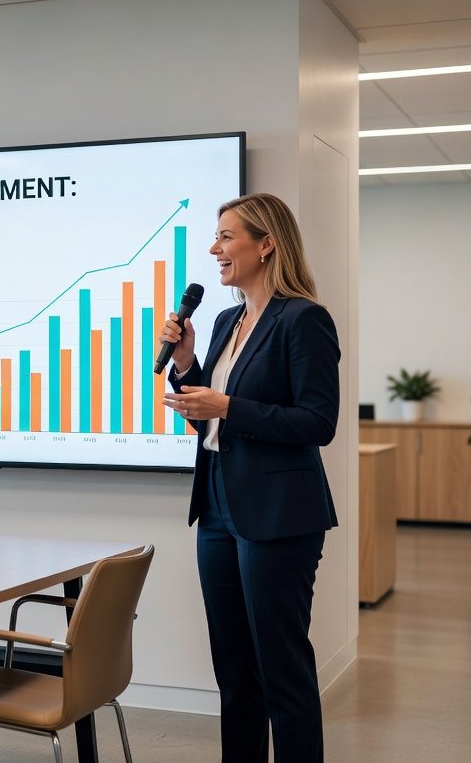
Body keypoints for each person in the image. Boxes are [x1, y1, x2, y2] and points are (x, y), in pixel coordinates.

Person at [160, 193, 340, 762]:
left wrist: (228, 407)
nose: (215, 249)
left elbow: (319, 421)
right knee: (234, 670)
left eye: (227, 236)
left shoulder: (304, 318)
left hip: (279, 512)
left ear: (266, 244)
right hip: (216, 505)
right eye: (216, 237)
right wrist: (187, 368)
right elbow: (213, 412)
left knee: (280, 669)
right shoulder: (224, 319)